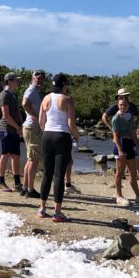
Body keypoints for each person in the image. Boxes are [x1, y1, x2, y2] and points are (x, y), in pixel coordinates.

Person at [36, 73, 80, 222]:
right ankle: (57, 212)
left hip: (47, 136)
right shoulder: (67, 99)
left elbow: (41, 121)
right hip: (62, 136)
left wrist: (47, 133)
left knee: (47, 173)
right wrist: (77, 135)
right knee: (59, 175)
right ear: (64, 85)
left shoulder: (46, 98)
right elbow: (70, 124)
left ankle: (42, 208)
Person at [111, 95, 139, 205]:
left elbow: (132, 132)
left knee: (133, 173)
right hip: (121, 144)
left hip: (129, 143)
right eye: (120, 105)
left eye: (125, 105)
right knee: (120, 172)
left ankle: (138, 196)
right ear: (118, 106)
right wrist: (120, 150)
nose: (123, 107)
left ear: (128, 106)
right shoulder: (116, 118)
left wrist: (137, 142)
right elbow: (115, 137)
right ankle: (119, 196)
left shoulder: (129, 116)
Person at [102, 88, 139, 182]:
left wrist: (135, 126)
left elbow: (138, 117)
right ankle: (121, 174)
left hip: (130, 135)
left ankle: (136, 173)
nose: (125, 97)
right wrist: (111, 127)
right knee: (120, 156)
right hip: (120, 136)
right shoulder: (116, 106)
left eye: (126, 95)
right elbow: (104, 117)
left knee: (134, 153)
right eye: (122, 96)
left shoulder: (131, 106)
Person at [0, 72, 24, 192]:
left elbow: (17, 111)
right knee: (6, 154)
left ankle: (17, 183)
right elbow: (6, 116)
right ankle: (1, 182)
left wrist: (21, 126)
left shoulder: (13, 95)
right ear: (9, 81)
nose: (17, 82)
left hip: (14, 129)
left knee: (16, 155)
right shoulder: (4, 95)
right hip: (6, 129)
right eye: (15, 80)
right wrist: (18, 127)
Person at [20, 71, 46, 199]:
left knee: (31, 159)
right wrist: (36, 118)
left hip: (31, 127)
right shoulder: (31, 90)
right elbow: (24, 103)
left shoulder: (36, 91)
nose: (39, 79)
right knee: (34, 160)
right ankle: (30, 189)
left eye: (41, 77)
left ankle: (25, 187)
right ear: (32, 78)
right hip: (32, 127)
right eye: (37, 77)